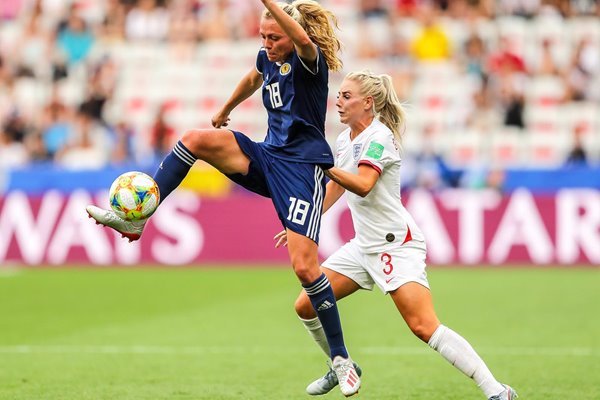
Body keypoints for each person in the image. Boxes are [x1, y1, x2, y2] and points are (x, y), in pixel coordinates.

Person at [86, 0, 361, 396]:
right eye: (262, 36)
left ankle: (341, 359)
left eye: (273, 37)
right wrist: (226, 109)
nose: (266, 43)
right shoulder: (268, 57)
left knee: (305, 269)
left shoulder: (308, 59)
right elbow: (253, 77)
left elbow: (299, 36)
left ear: (291, 35)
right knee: (195, 138)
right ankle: (139, 216)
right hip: (268, 158)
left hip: (302, 171)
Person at [274, 71, 518, 400]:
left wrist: (324, 166)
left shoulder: (380, 137)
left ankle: (497, 391)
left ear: (368, 103)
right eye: (340, 94)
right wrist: (307, 222)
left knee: (424, 326)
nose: (338, 100)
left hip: (395, 245)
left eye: (347, 96)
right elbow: (334, 187)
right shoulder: (345, 139)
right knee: (306, 305)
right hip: (364, 245)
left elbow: (362, 184)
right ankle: (341, 363)